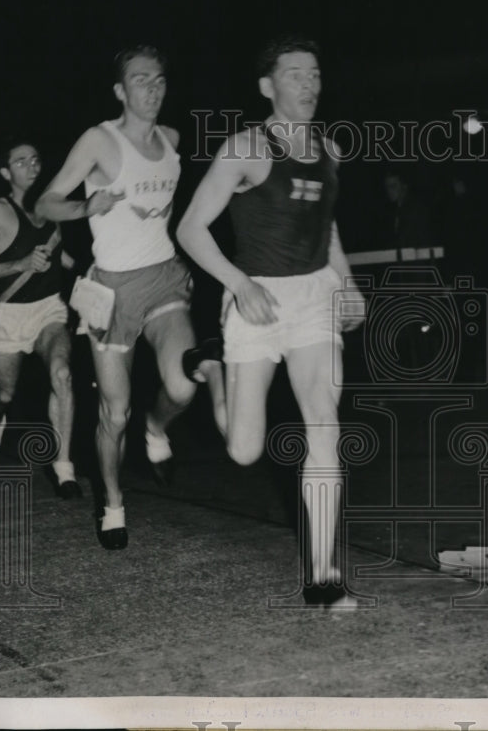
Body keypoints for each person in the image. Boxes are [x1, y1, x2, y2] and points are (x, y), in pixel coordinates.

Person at [177, 35, 365, 608]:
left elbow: (324, 228)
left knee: (324, 422)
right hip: (255, 298)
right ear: (268, 86)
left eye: (314, 74)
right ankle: (212, 370)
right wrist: (238, 283)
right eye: (294, 75)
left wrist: (348, 282)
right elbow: (189, 229)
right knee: (243, 450)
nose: (308, 85)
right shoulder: (244, 149)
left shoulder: (331, 149)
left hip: (313, 298)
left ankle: (325, 574)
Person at [36, 45, 205, 550]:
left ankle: (158, 430)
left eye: (158, 80)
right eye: (139, 80)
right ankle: (112, 504)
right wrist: (88, 204)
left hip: (164, 279)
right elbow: (45, 203)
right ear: (120, 90)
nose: (151, 89)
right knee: (115, 413)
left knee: (182, 386)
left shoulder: (173, 140)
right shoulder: (99, 141)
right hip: (111, 289)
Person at [0, 138, 80, 498]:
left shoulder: (51, 209)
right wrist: (18, 263)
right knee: (4, 393)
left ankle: (64, 467)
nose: (31, 167)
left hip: (49, 308)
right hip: (9, 314)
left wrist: (94, 276)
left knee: (62, 373)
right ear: (5, 172)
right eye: (20, 162)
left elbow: (61, 257)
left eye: (35, 160)